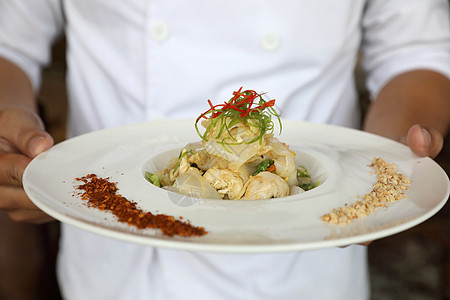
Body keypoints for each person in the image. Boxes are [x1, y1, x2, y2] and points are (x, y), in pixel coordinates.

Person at [0, 1, 449, 299]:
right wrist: (10, 120)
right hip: (112, 258)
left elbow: (416, 52)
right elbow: (10, 39)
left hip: (302, 265)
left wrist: (384, 161)